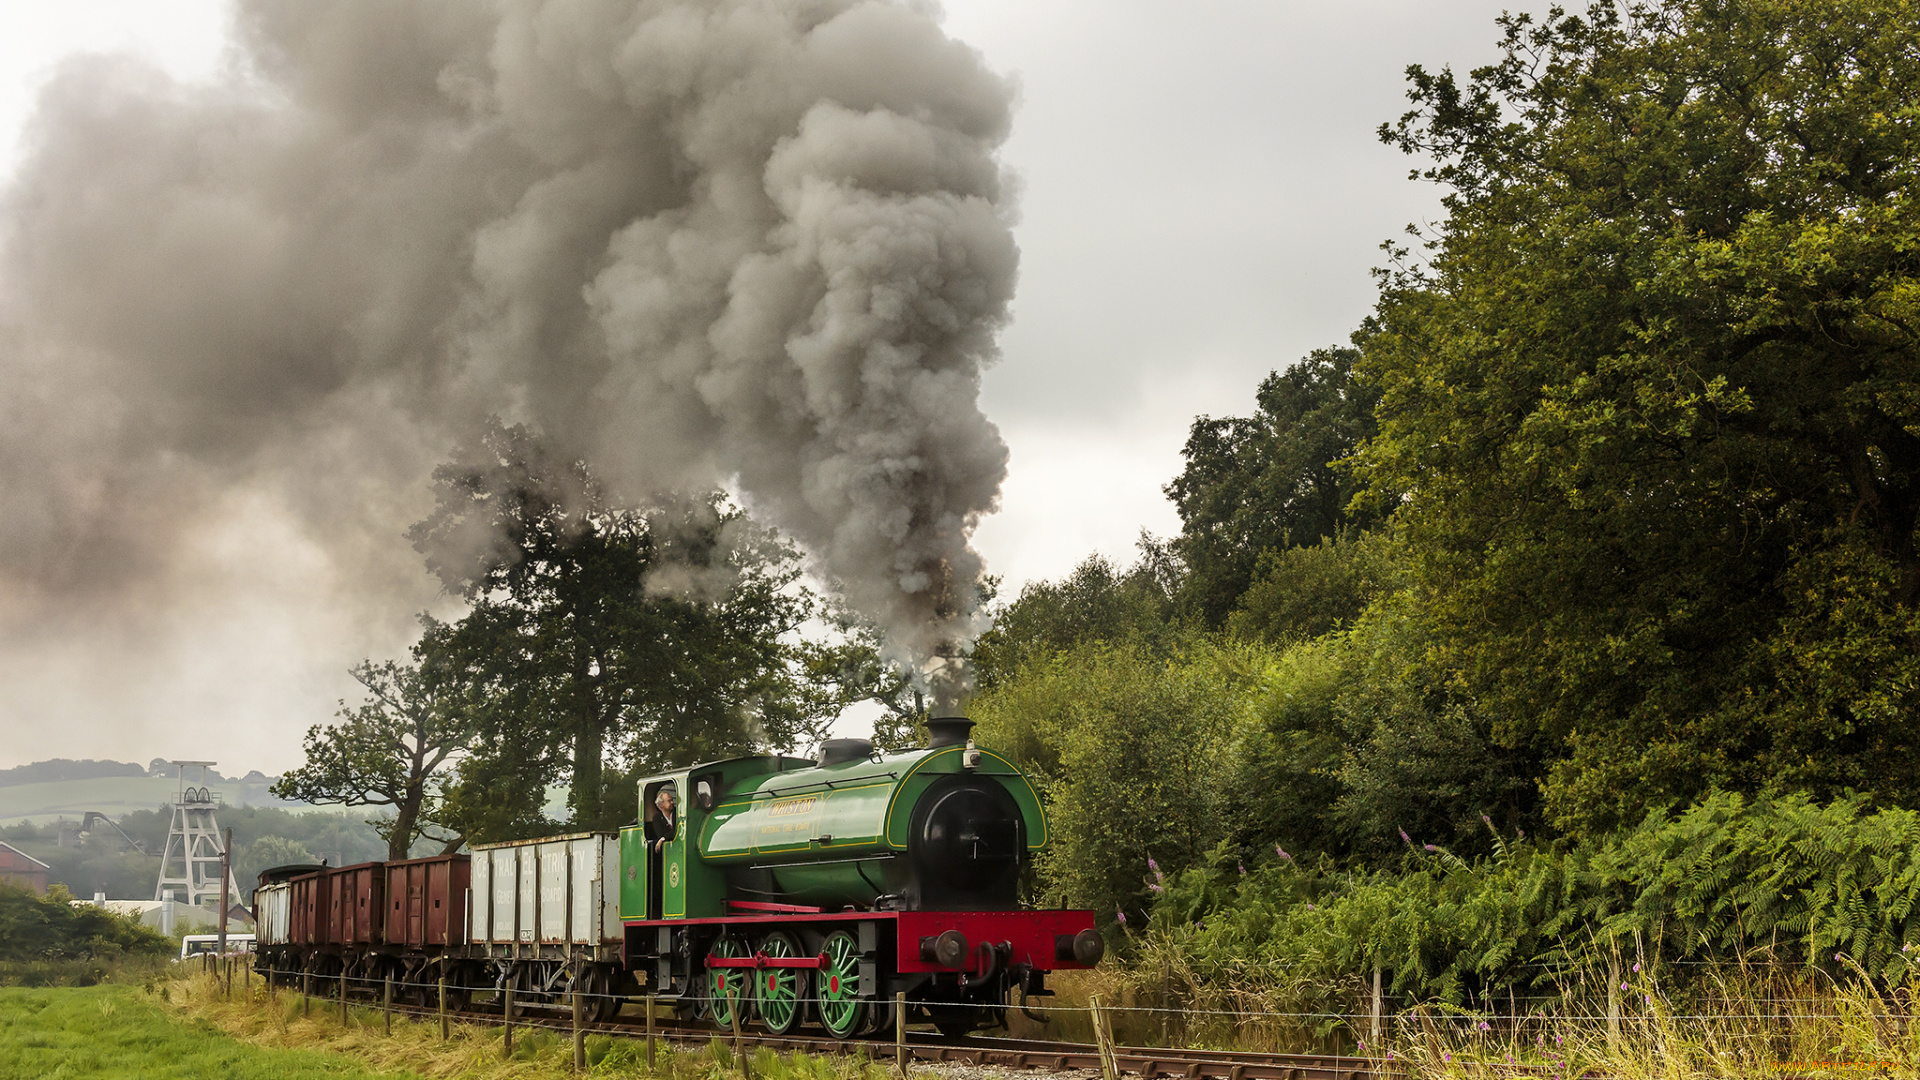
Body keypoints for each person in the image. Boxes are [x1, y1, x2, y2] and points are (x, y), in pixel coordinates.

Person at [644, 783, 677, 918]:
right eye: (669, 801)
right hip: (665, 857)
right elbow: (659, 834)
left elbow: (676, 832)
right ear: (661, 805)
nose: (672, 802)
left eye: (672, 800)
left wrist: (664, 838)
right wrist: (664, 837)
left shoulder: (677, 815)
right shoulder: (657, 818)